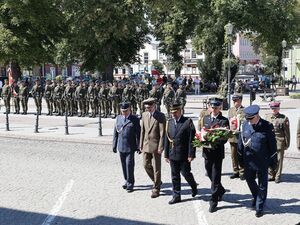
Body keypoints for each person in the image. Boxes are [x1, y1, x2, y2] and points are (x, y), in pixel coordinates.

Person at [238, 105, 278, 217]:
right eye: (247, 119)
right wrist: (240, 158)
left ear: (257, 115)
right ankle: (256, 196)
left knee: (262, 184)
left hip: (262, 160)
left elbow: (272, 145)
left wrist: (273, 161)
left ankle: (259, 206)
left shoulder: (267, 126)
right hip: (249, 160)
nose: (249, 121)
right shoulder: (244, 125)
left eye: (251, 118)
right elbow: (241, 143)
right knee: (249, 179)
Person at [164, 101, 198, 204]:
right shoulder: (169, 122)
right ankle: (176, 195)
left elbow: (191, 140)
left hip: (183, 154)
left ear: (180, 111)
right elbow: (167, 139)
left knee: (186, 173)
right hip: (173, 153)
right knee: (174, 175)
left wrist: (191, 154)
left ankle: (193, 185)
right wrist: (166, 154)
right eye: (172, 112)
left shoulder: (187, 122)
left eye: (175, 112)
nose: (173, 114)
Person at [201, 99, 229, 213]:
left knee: (216, 176)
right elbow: (202, 131)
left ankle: (213, 200)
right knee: (209, 172)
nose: (214, 109)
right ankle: (220, 190)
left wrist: (215, 141)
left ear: (220, 108)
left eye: (216, 107)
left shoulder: (223, 120)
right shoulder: (205, 118)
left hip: (217, 152)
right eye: (212, 107)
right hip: (207, 152)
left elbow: (225, 137)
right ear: (210, 107)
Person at [140, 98, 166, 198]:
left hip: (156, 146)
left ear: (154, 105)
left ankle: (156, 188)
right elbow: (143, 130)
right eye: (146, 108)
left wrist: (161, 146)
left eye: (150, 107)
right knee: (145, 165)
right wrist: (140, 144)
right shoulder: (144, 115)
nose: (148, 109)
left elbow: (162, 133)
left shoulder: (160, 116)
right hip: (146, 144)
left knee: (157, 168)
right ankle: (157, 181)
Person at [113, 102, 141, 193]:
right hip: (121, 146)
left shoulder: (134, 119)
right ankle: (126, 179)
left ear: (130, 109)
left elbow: (138, 134)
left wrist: (139, 146)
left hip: (130, 146)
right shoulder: (118, 118)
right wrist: (114, 145)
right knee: (123, 165)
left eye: (126, 111)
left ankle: (130, 183)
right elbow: (115, 133)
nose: (124, 113)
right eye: (123, 111)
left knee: (129, 165)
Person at [265, 102, 290, 183]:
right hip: (269, 142)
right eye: (272, 108)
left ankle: (278, 176)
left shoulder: (284, 118)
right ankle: (271, 174)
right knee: (269, 158)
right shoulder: (267, 117)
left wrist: (287, 143)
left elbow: (287, 133)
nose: (273, 110)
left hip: (279, 141)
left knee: (279, 160)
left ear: (278, 108)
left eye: (275, 108)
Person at [228, 94, 245, 180]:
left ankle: (242, 171)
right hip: (232, 135)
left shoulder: (244, 110)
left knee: (241, 154)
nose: (234, 102)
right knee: (233, 155)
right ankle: (235, 171)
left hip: (241, 136)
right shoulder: (231, 110)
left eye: (236, 101)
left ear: (240, 101)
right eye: (233, 101)